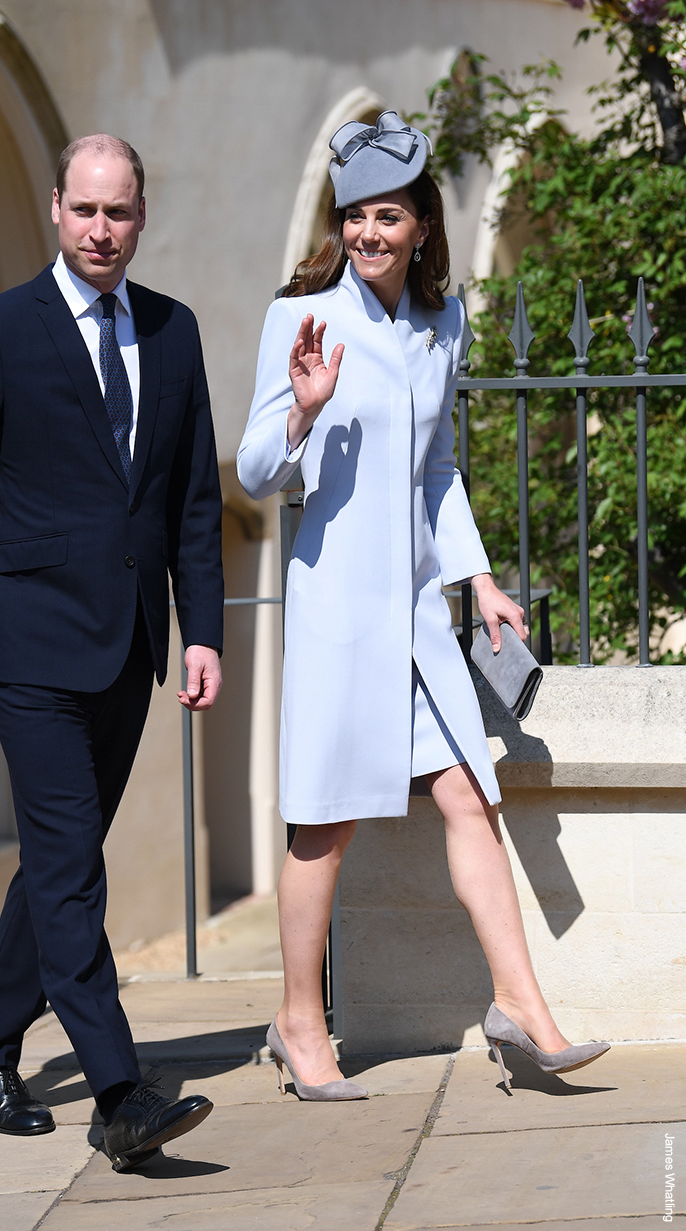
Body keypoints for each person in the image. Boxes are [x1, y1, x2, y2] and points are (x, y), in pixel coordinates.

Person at [0, 134, 224, 1168]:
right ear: (54, 210)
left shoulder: (173, 330)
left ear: (141, 216)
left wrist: (201, 625)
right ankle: (120, 1094)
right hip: (27, 646)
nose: (101, 231)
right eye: (84, 211)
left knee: (55, 866)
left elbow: (191, 499)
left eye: (118, 213)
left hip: (130, 645)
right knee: (72, 870)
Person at [237, 111, 609, 1098]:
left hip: (412, 614)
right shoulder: (302, 313)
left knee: (470, 799)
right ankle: (297, 1021)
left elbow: (435, 469)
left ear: (422, 227)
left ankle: (521, 1006)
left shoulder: (441, 323)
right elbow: (254, 466)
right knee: (324, 825)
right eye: (354, 215)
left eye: (386, 216)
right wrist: (304, 409)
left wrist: (476, 575)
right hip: (333, 613)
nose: (366, 232)